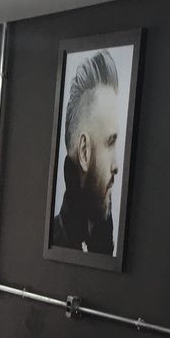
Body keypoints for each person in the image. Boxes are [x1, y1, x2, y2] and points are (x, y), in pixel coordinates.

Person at [51, 49, 120, 255]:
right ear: (84, 151)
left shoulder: (101, 240)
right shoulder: (59, 239)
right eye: (110, 142)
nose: (116, 166)